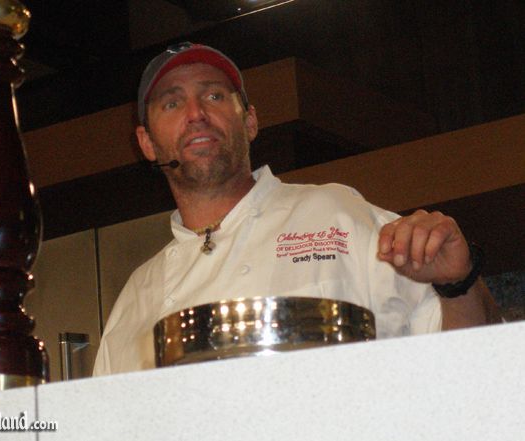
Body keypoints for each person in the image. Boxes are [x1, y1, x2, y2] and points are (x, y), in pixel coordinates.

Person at [93, 42, 501, 376]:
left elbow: (469, 368)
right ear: (146, 144)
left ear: (250, 121)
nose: (196, 114)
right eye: (171, 104)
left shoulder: (338, 214)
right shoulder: (137, 296)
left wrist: (459, 283)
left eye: (214, 95)